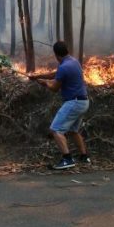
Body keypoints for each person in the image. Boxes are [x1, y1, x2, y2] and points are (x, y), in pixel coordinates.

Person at [28, 41, 90, 170]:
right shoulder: (73, 61)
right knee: (73, 131)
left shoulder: (64, 67)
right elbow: (55, 74)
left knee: (56, 130)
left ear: (56, 54)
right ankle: (84, 157)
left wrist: (44, 83)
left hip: (74, 102)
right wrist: (38, 76)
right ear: (66, 50)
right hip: (84, 102)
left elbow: (54, 88)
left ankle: (67, 159)